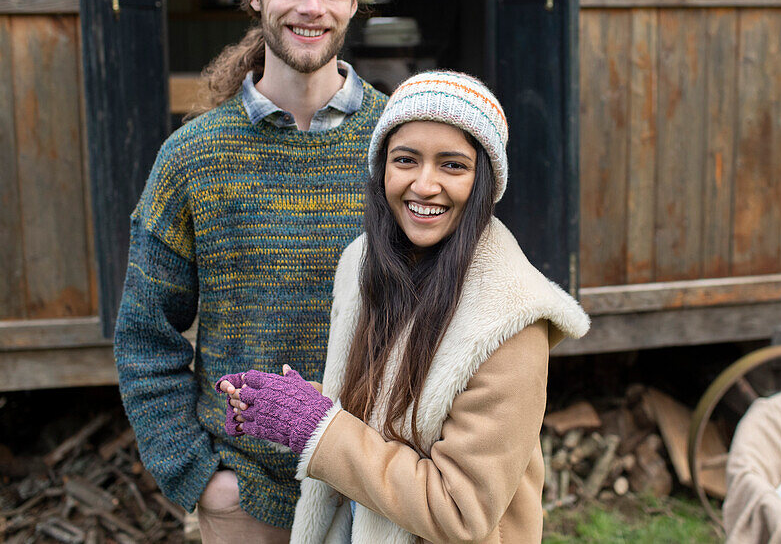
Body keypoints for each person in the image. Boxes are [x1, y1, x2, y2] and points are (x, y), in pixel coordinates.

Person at [113, 0, 388, 543]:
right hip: (248, 494)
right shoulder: (194, 157)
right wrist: (203, 478)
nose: (310, 6)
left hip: (376, 485)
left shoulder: (399, 144)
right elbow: (144, 335)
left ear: (353, 5)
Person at [217, 70, 591, 543]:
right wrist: (284, 406)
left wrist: (317, 427)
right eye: (406, 160)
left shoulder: (509, 321)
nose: (425, 184)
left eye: (452, 165)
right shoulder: (364, 264)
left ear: (483, 181)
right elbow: (385, 419)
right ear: (382, 170)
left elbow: (460, 512)